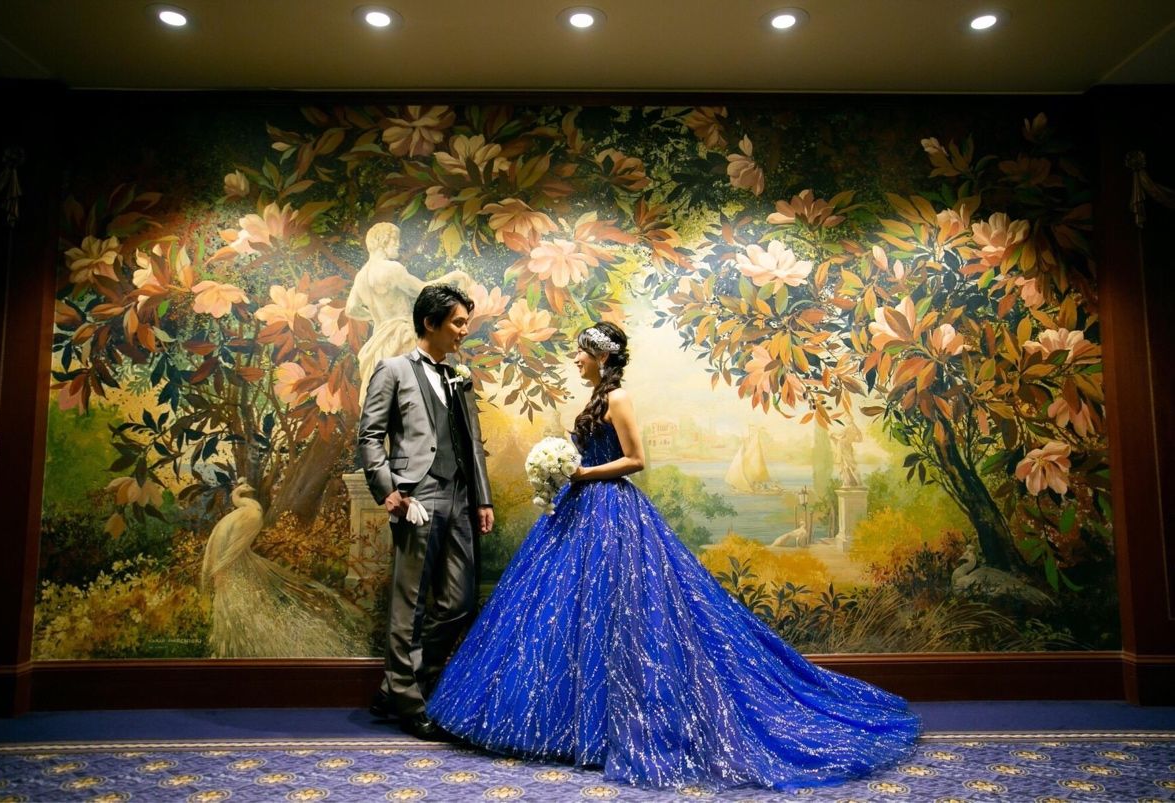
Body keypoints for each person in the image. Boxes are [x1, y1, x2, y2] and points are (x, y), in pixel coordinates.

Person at [427, 322, 920, 790]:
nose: (575, 359)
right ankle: (570, 727)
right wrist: (564, 473)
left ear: (602, 357)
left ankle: (608, 727)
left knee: (619, 615)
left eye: (582, 352)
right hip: (582, 508)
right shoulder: (597, 397)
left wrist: (581, 474)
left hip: (611, 510)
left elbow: (636, 460)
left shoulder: (618, 398)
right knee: (571, 613)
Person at [358, 283, 494, 741]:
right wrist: (387, 490)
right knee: (410, 605)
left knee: (458, 604)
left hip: (460, 497)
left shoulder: (459, 376)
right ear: (430, 323)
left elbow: (473, 443)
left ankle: (395, 687)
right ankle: (410, 702)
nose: (464, 331)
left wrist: (483, 499)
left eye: (466, 323)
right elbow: (369, 435)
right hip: (417, 497)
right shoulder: (393, 370)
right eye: (458, 323)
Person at [346, 222, 473, 406]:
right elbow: (422, 289)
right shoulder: (392, 269)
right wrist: (453, 276)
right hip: (403, 336)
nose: (398, 244)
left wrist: (376, 318)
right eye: (395, 240)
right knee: (418, 398)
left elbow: (351, 308)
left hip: (379, 343)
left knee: (388, 401)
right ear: (383, 241)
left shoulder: (361, 277)